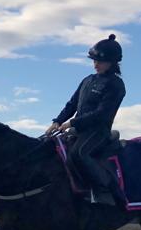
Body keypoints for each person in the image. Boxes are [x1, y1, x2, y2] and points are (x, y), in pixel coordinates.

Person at [45, 33, 126, 205]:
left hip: (98, 131)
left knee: (79, 154)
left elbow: (102, 113)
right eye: (94, 60)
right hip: (79, 130)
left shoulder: (116, 84)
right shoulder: (87, 80)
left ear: (112, 62)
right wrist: (57, 121)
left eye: (100, 61)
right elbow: (72, 104)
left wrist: (73, 123)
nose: (95, 64)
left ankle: (104, 191)